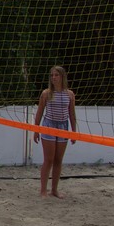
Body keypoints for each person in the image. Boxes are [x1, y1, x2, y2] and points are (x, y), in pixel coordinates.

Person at [33, 66, 77, 199]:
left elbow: (72, 114)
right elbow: (39, 112)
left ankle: (54, 190)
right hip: (49, 126)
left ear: (62, 77)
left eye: (56, 75)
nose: (53, 77)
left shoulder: (69, 94)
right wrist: (36, 130)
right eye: (52, 75)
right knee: (49, 159)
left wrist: (74, 132)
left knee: (58, 160)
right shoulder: (46, 93)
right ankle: (43, 191)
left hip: (63, 127)